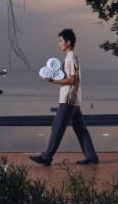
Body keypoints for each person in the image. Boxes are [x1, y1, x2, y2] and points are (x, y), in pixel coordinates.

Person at [29, 28, 99, 166]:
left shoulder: (71, 58)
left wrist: (52, 81)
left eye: (61, 41)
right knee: (80, 128)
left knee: (57, 127)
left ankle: (46, 157)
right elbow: (69, 77)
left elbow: (72, 80)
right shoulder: (70, 57)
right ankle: (91, 157)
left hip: (68, 99)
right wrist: (56, 75)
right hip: (73, 98)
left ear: (68, 42)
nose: (59, 44)